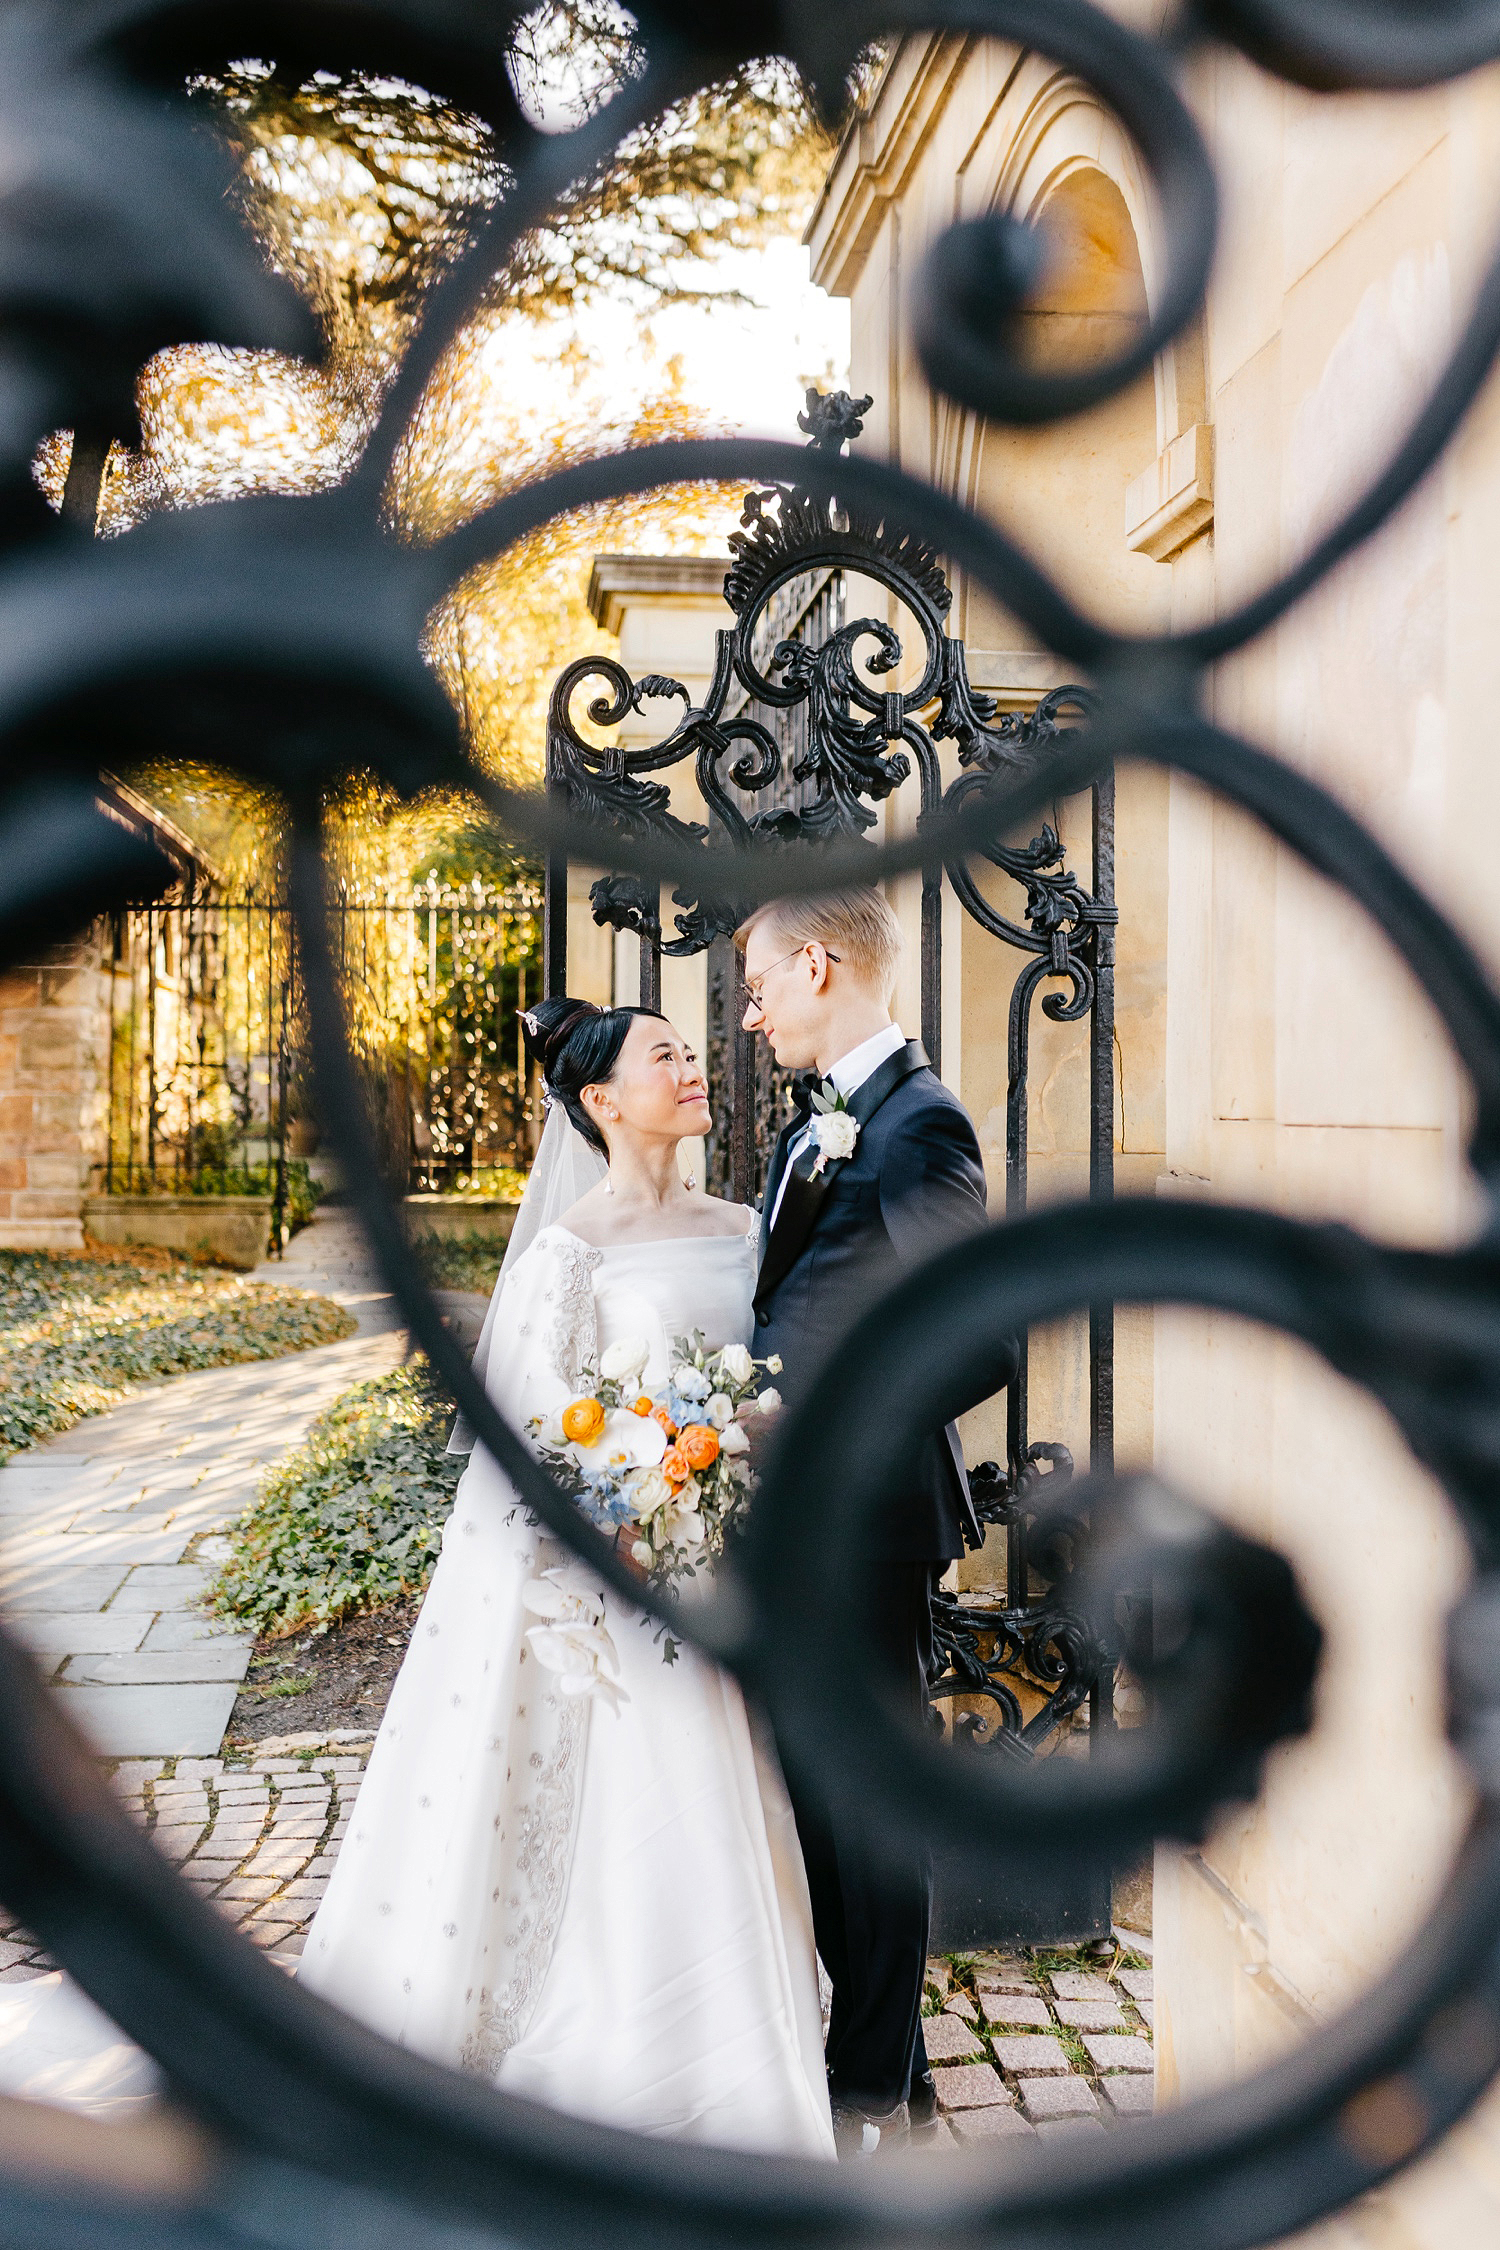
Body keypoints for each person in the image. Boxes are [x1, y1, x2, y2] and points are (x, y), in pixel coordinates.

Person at [298, 996, 835, 2158]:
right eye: (666, 1058)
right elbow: (539, 1426)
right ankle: (639, 2063)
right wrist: (643, 1479)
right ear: (600, 1100)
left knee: (739, 1789)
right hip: (634, 1562)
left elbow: (776, 1382)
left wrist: (723, 1463)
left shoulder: (746, 1228)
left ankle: (750, 2064)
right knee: (655, 1789)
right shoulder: (568, 1251)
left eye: (693, 1051)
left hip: (731, 1564)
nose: (693, 1068)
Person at [738, 886, 1012, 2160]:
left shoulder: (915, 1123)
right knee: (819, 1791)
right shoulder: (836, 1121)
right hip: (808, 1524)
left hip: (865, 1513)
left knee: (868, 1799)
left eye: (757, 984)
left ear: (817, 962)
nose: (748, 1015)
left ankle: (872, 2091)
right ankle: (881, 2057)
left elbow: (978, 1340)